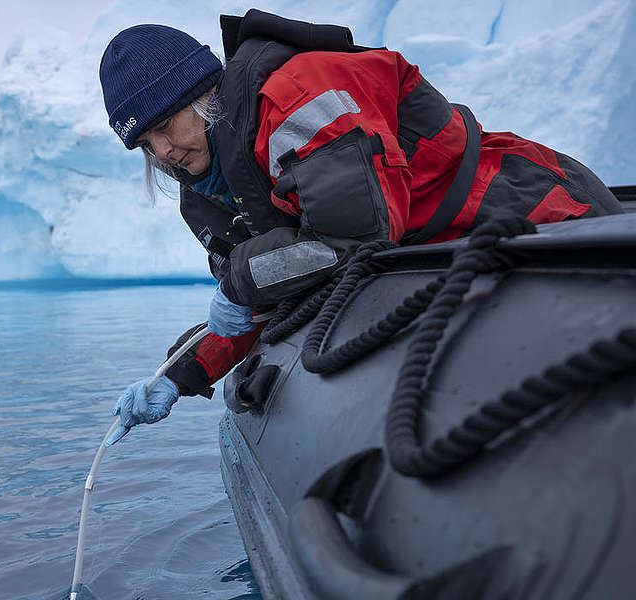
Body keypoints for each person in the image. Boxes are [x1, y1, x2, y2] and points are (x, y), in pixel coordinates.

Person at [99, 9, 622, 444]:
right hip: (446, 265)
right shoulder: (213, 189)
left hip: (541, 220)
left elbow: (348, 241)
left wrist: (239, 283)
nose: (163, 152)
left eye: (166, 126)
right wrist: (179, 374)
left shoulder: (297, 97)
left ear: (203, 94)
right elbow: (276, 294)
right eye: (146, 143)